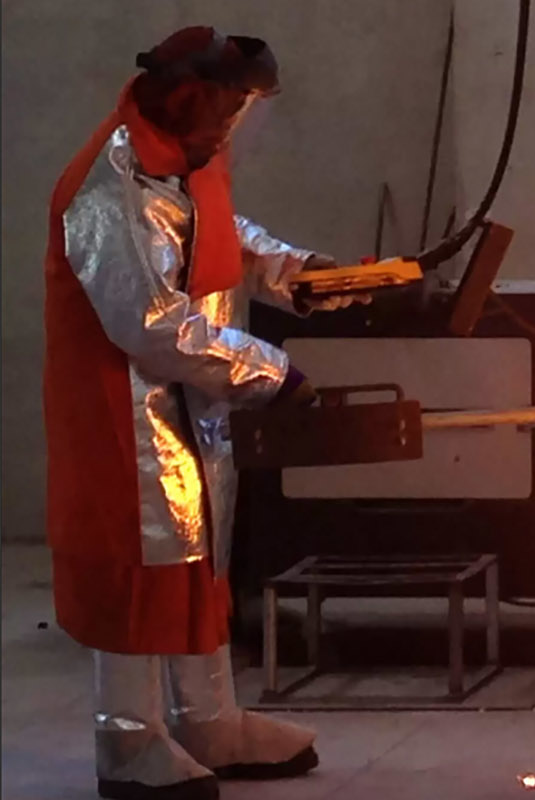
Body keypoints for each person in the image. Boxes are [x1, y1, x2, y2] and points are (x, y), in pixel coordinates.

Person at [45, 26, 368, 800]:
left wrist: (303, 275)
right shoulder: (109, 183)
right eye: (224, 108)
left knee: (199, 562)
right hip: (120, 413)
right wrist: (272, 371)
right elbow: (151, 326)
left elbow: (218, 238)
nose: (230, 127)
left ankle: (209, 720)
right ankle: (127, 743)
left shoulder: (185, 158)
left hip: (193, 400)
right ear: (186, 97)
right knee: (141, 567)